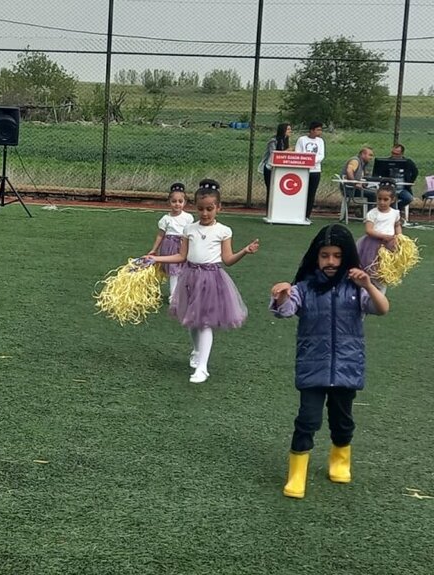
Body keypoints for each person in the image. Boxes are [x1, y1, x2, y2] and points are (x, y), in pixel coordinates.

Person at [270, 223, 389, 499]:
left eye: (337, 255)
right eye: (325, 256)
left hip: (347, 367)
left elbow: (382, 309)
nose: (331, 261)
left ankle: (340, 460)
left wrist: (368, 284)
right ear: (316, 257)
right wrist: (283, 295)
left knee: (342, 420)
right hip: (313, 366)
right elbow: (285, 311)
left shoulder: (355, 287)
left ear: (346, 256)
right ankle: (297, 474)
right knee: (307, 420)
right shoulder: (304, 287)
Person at [148, 179, 259, 383]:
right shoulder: (189, 229)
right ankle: (197, 351)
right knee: (191, 320)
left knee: (206, 322)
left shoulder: (223, 231)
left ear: (218, 208)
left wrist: (244, 251)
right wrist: (156, 258)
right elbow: (181, 256)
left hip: (211, 278)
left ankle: (202, 368)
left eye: (210, 209)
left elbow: (227, 260)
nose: (205, 213)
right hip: (190, 277)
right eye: (201, 209)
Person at [147, 183, 194, 300]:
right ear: (169, 202)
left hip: (183, 245)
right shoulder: (165, 219)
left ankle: (185, 292)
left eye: (180, 201)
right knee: (173, 271)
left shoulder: (188, 218)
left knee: (184, 270)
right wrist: (154, 249)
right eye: (174, 201)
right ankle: (173, 296)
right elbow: (160, 235)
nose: (177, 204)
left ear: (185, 202)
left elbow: (191, 233)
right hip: (170, 247)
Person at [356, 180, 403, 293]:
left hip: (388, 246)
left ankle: (380, 294)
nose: (382, 202)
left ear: (392, 200)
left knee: (383, 270)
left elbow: (397, 226)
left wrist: (399, 237)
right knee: (371, 268)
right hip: (372, 245)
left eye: (385, 199)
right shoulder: (373, 213)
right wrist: (382, 236)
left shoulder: (395, 213)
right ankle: (365, 291)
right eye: (379, 199)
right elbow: (369, 230)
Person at [295, 121, 325, 222]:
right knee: (301, 192)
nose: (320, 132)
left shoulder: (320, 141)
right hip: (303, 170)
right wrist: (305, 162)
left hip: (315, 170)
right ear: (312, 130)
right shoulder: (302, 140)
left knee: (311, 193)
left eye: (321, 130)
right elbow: (298, 153)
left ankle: (307, 215)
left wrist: (312, 161)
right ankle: (297, 213)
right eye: (318, 130)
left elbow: (321, 155)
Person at [259, 123, 291, 205]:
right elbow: (274, 154)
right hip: (270, 168)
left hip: (280, 169)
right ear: (283, 130)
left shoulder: (285, 140)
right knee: (271, 189)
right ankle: (269, 208)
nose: (290, 131)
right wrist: (287, 151)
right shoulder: (273, 141)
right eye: (288, 129)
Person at [341, 147, 375, 212]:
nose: (371, 158)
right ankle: (369, 215)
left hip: (355, 188)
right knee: (374, 194)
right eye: (370, 155)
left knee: (375, 191)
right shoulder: (355, 161)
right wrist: (355, 183)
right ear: (363, 154)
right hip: (350, 189)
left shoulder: (362, 164)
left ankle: (364, 212)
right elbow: (349, 171)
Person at [388, 144, 418, 213]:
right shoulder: (387, 161)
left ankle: (395, 209)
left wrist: (410, 182)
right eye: (392, 153)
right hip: (389, 188)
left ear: (401, 153)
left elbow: (415, 172)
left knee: (408, 198)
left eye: (396, 154)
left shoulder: (407, 162)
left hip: (402, 189)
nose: (394, 155)